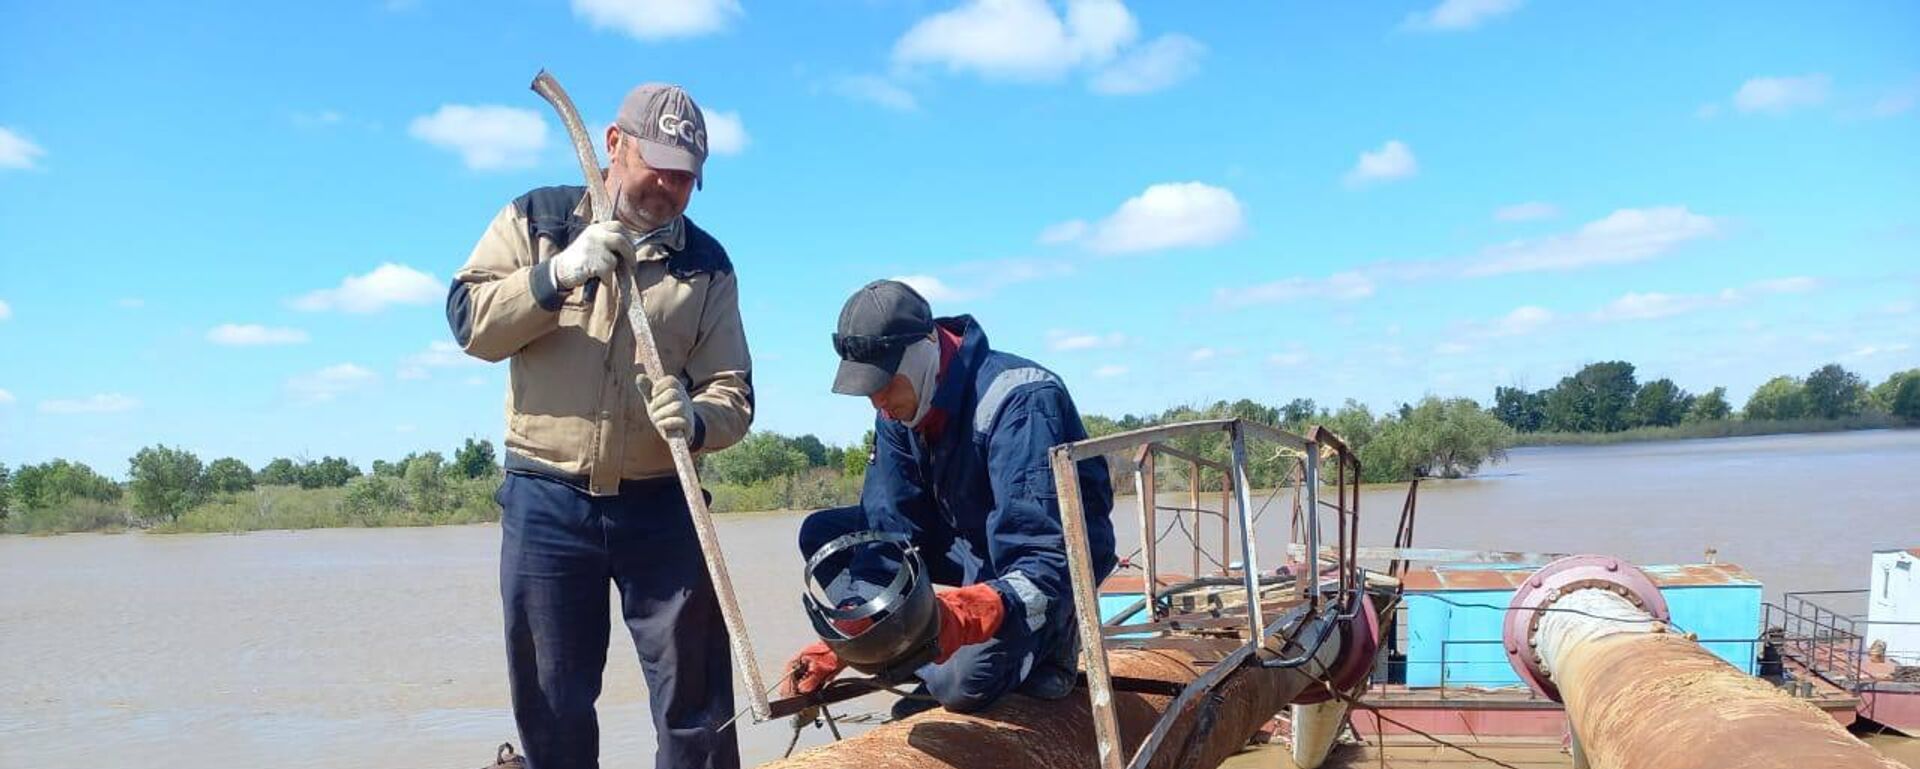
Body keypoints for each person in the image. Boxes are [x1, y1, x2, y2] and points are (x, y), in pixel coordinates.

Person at [446, 82, 752, 769]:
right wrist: (555, 275)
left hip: (662, 501)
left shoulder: (708, 264)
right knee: (552, 700)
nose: (671, 187)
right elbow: (469, 320)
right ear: (615, 145)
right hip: (546, 500)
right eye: (660, 167)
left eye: (687, 177)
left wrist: (697, 417)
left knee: (697, 703)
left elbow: (734, 392)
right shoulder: (539, 219)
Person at [782, 280, 1117, 717]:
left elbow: (1043, 553)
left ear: (925, 349)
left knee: (961, 684)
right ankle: (912, 654)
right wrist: (855, 631)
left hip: (1049, 564)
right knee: (826, 534)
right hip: (971, 539)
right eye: (867, 389)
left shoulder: (1021, 401)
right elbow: (887, 532)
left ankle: (1053, 637)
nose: (878, 402)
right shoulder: (898, 411)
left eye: (884, 383)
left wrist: (967, 612)